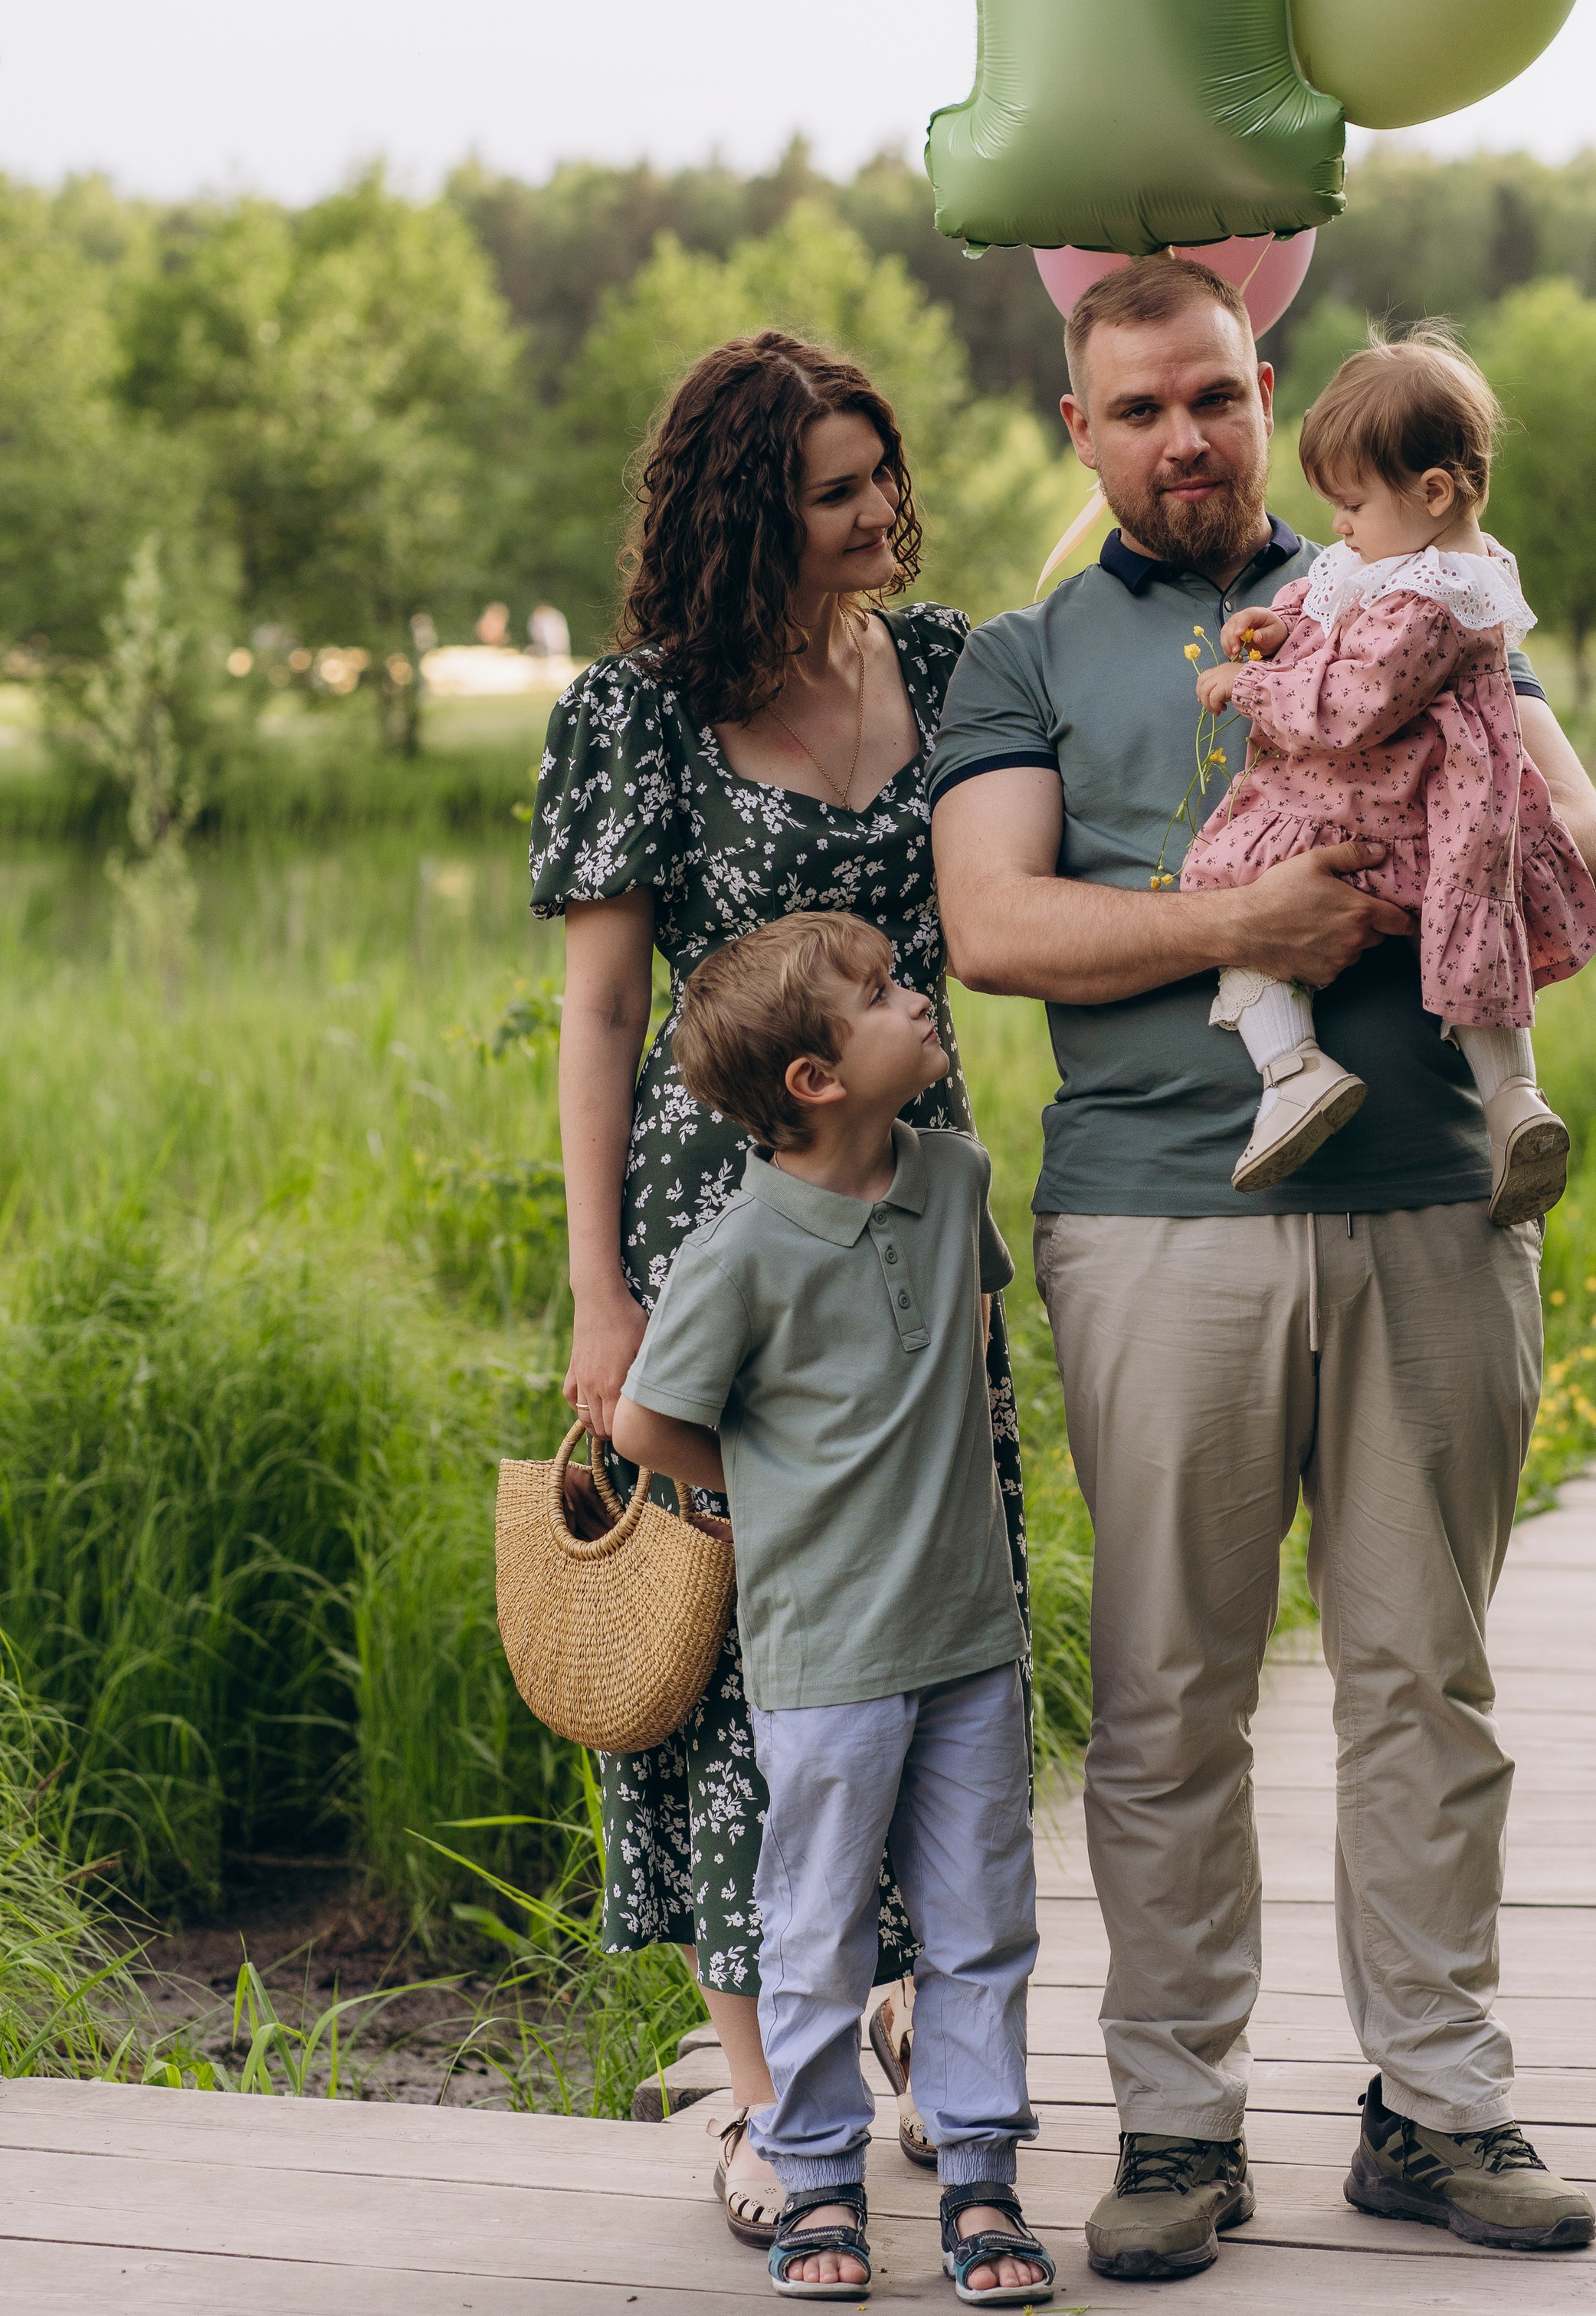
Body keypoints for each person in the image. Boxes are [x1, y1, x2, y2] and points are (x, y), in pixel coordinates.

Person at [929, 255, 1596, 2282]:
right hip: (1157, 1223)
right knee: (1168, 1699)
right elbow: (993, 925)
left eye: (1216, 397)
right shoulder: (1024, 658)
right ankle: (1177, 2126)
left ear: (1266, 393)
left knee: (1426, 1682)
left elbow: (1589, 850)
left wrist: (1425, 833)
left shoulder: (1413, 589)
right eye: (1140, 410)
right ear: (1080, 429)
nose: (1186, 439)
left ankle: (1437, 2106)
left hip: (1430, 1206)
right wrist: (1238, 928)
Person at [529, 333, 1030, 2246]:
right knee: (738, 1659)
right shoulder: (639, 713)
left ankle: (897, 2016)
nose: (882, 509)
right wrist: (600, 1291)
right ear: (750, 518)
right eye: (835, 491)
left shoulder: (950, 665)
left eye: (882, 469)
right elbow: (599, 1014)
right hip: (717, 1234)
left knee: (926, 1619)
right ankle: (758, 2094)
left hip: (917, 1211)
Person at [610, 911, 1054, 2305]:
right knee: (815, 1931)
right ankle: (817, 2181)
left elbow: (973, 1324)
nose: (919, 999)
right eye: (882, 994)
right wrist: (768, 1497)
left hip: (969, 1636)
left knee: (982, 1919)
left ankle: (981, 2176)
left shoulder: (956, 1175)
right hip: (826, 1654)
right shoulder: (740, 1249)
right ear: (815, 1079)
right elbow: (645, 1424)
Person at [1181, 326, 1596, 1210]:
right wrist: (1282, 625)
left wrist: (1251, 685)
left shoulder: (1432, 602)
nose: (1336, 527)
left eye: (1351, 503)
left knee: (1227, 879)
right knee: (1471, 937)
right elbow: (1340, 602)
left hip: (1386, 807)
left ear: (1435, 490)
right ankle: (1513, 1101)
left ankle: (1291, 1069)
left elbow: (1355, 702)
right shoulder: (1430, 563)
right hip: (1454, 818)